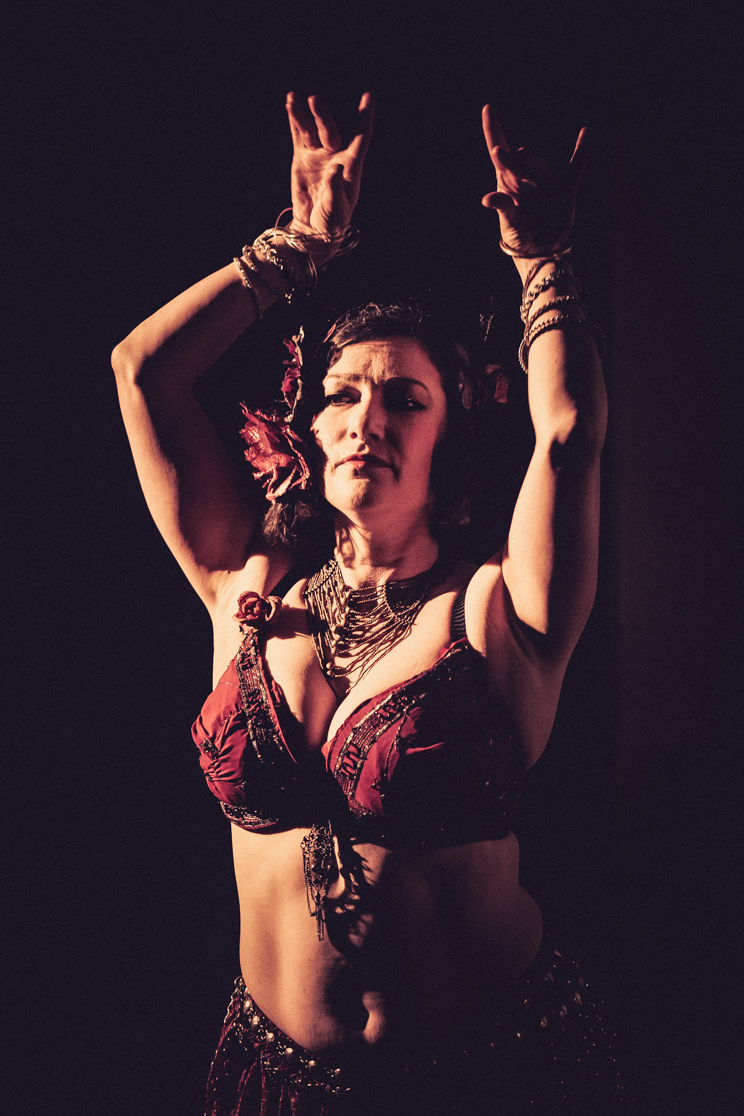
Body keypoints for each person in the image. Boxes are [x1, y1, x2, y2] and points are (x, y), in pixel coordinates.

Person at [112, 92, 625, 1115]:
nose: (365, 419)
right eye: (342, 393)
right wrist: (295, 248)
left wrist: (541, 264)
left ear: (447, 440)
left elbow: (567, 434)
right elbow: (143, 373)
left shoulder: (499, 609)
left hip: (489, 1079)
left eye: (405, 399)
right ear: (308, 427)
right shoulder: (247, 581)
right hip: (272, 1079)